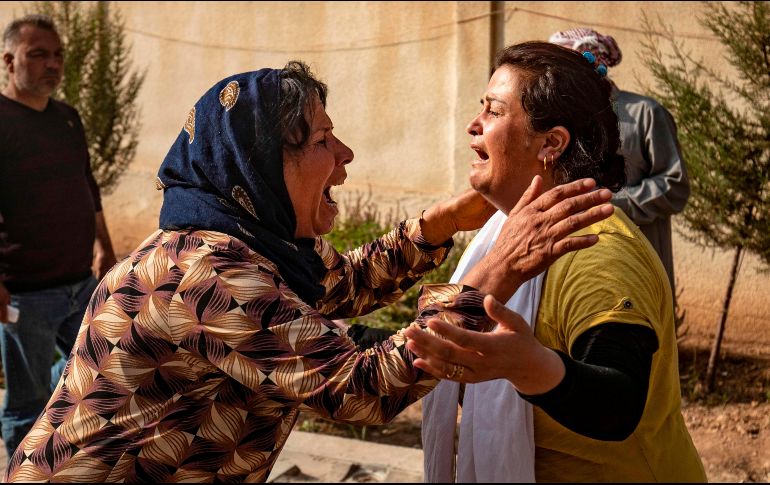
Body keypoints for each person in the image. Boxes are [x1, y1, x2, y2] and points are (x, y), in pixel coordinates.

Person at [3, 60, 613, 482]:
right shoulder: (202, 273)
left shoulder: (259, 246)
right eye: (323, 140)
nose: (345, 156)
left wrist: (440, 224)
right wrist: (495, 272)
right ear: (262, 164)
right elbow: (364, 388)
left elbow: (340, 285)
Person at [408, 41, 706, 482]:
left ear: (551, 143)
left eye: (493, 111)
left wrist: (529, 366)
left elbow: (618, 402)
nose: (474, 125)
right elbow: (422, 341)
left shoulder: (596, 247)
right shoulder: (501, 236)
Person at [0, 14, 117, 460]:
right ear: (9, 61)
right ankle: (22, 471)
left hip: (79, 283)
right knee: (25, 405)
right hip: (25, 294)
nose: (52, 64)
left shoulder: (67, 118)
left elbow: (88, 185)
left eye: (58, 55)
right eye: (38, 55)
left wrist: (104, 245)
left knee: (104, 366)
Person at [549, 27, 690, 291]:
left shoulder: (646, 113)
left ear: (593, 63)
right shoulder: (562, 121)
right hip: (580, 269)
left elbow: (674, 186)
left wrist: (609, 202)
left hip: (639, 262)